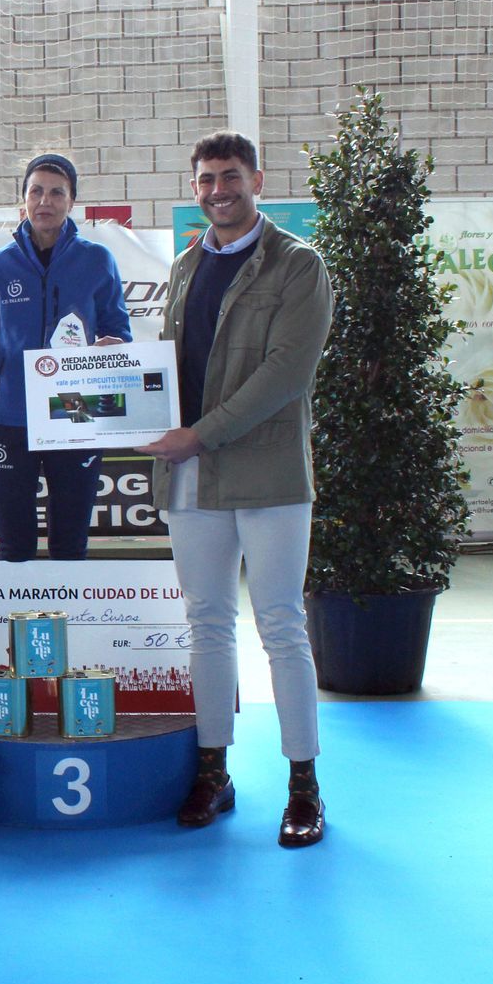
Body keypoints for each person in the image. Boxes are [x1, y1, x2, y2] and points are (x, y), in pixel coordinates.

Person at [136, 131, 333, 849]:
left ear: (256, 178)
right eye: (206, 181)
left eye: (230, 178)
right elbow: (171, 368)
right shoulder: (187, 266)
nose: (218, 191)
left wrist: (201, 433)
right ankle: (213, 772)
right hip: (192, 474)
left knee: (281, 625)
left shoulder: (297, 265)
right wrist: (118, 385)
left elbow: (284, 374)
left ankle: (304, 786)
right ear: (195, 189)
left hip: (269, 472)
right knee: (207, 624)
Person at [0, 153, 132, 561]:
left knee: (70, 540)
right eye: (36, 191)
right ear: (23, 199)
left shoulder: (97, 260)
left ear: (72, 201)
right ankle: (17, 628)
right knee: (14, 545)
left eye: (57, 192)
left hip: (75, 408)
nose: (45, 200)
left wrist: (113, 346)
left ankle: (70, 625)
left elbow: (119, 330)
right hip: (8, 414)